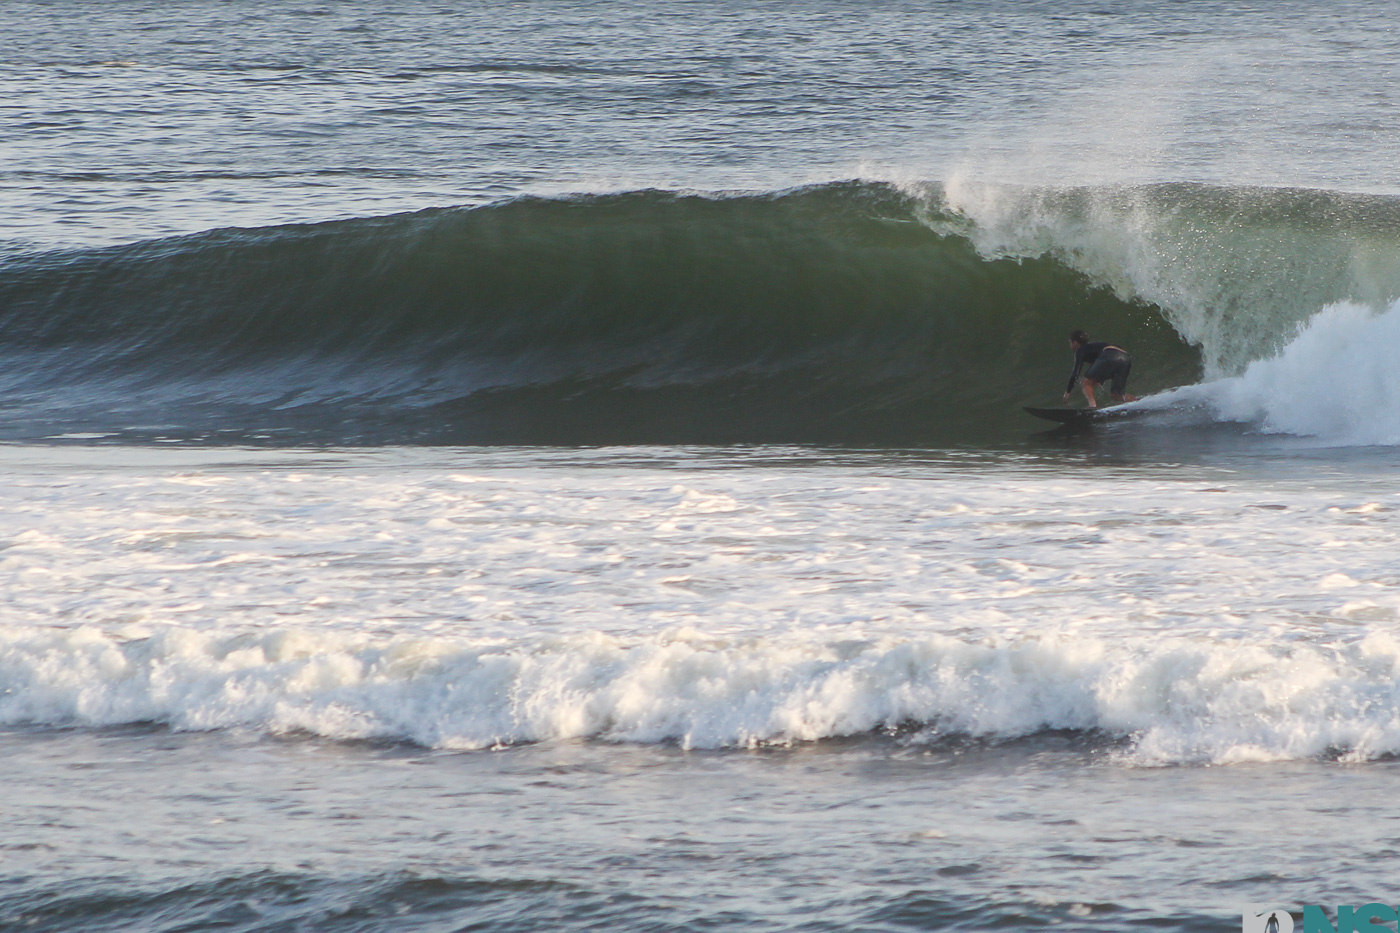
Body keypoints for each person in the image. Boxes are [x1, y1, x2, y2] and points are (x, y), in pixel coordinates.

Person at [1063, 329, 1139, 408]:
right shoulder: (1094, 347)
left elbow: (1075, 373)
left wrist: (1068, 392)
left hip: (1110, 354)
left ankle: (1092, 406)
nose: (1070, 345)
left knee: (1085, 383)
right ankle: (1140, 402)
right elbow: (1104, 367)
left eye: (1070, 343)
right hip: (1125, 358)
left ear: (1075, 343)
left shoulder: (1080, 350)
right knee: (1116, 395)